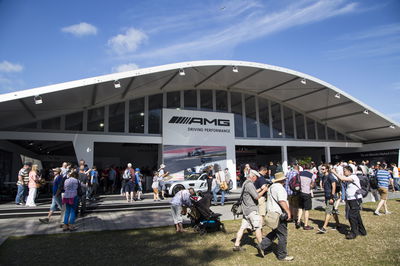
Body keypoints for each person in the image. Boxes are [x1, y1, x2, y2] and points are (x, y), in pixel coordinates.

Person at [233, 170, 268, 257]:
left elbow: (252, 192)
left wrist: (261, 189)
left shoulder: (245, 183)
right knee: (258, 228)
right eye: (255, 178)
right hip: (251, 210)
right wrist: (264, 190)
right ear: (252, 176)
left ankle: (236, 245)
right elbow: (256, 197)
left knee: (242, 228)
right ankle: (261, 247)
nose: (256, 180)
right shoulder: (250, 184)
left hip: (246, 211)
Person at [260, 172, 294, 261]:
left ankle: (262, 245)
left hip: (272, 213)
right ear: (283, 180)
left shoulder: (272, 187)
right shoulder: (280, 188)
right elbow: (282, 201)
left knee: (275, 232)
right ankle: (282, 255)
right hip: (279, 214)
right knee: (282, 235)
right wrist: (288, 212)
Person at [332, 166, 366, 239]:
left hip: (355, 199)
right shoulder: (349, 177)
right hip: (351, 199)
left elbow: (342, 178)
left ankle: (353, 233)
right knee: (357, 216)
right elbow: (341, 179)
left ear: (349, 171)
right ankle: (362, 231)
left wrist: (334, 172)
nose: (344, 172)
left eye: (345, 171)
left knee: (352, 216)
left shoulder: (353, 177)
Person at [317, 165, 340, 233]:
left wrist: (332, 197)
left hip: (330, 196)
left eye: (323, 169)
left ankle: (324, 227)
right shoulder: (324, 176)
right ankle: (338, 224)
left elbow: (334, 186)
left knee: (328, 211)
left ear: (327, 169)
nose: (321, 170)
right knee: (332, 211)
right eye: (321, 169)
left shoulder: (330, 176)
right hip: (327, 196)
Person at [296, 164, 316, 230]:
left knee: (300, 207)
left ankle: (298, 221)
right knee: (307, 209)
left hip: (300, 192)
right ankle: (306, 224)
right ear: (310, 168)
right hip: (307, 192)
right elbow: (312, 184)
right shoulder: (311, 175)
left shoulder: (300, 173)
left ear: (304, 167)